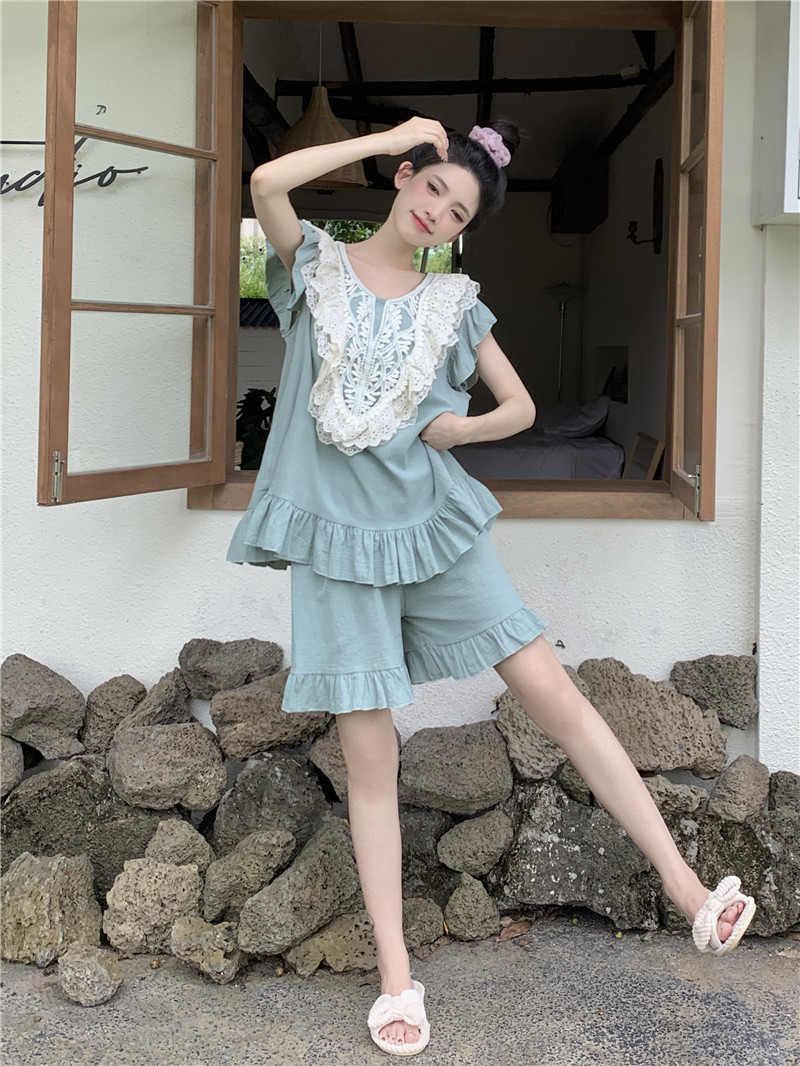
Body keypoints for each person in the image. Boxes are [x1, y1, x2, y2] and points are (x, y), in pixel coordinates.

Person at [227, 117, 756, 1057]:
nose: (437, 213)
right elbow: (268, 180)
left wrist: (460, 432)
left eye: (459, 213)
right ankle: (397, 977)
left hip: (434, 530)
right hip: (338, 548)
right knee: (371, 759)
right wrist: (388, 133)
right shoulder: (315, 266)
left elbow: (518, 407)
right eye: (432, 188)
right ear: (403, 176)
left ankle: (688, 891)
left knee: (554, 693)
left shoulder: (454, 304)